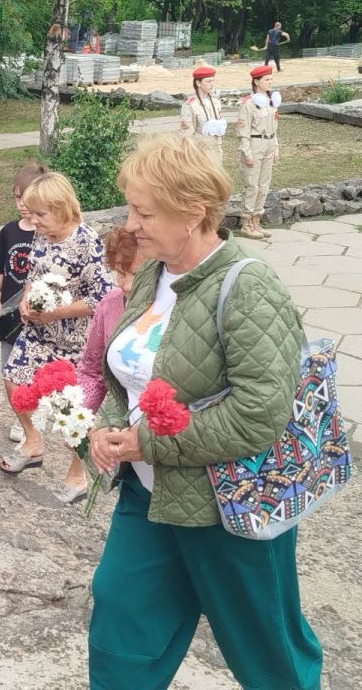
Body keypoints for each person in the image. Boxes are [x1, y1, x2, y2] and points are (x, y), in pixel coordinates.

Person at [87, 132, 321, 690]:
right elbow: (122, 371)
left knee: (266, 653)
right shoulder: (151, 274)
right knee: (120, 631)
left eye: (144, 212)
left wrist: (149, 443)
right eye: (131, 209)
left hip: (230, 509)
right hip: (148, 499)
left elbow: (260, 414)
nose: (131, 225)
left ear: (193, 212)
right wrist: (107, 426)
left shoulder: (249, 286)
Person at [0, 172, 112, 473]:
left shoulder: (87, 243)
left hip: (75, 340)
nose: (33, 221)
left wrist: (55, 313)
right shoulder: (42, 234)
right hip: (38, 331)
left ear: (61, 207)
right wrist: (25, 301)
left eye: (40, 213)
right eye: (31, 213)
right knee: (13, 377)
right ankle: (33, 442)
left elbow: (101, 299)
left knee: (73, 411)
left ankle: (79, 471)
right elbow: (33, 275)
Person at [56, 226, 143, 503]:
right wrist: (80, 414)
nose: (124, 283)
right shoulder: (110, 303)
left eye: (133, 274)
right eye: (119, 272)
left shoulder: (168, 307)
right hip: (113, 429)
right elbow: (92, 368)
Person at [0, 162, 48, 445]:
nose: (21, 204)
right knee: (8, 367)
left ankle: (35, 416)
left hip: (35, 314)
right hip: (10, 315)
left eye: (25, 197)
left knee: (33, 368)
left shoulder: (45, 233)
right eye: (16, 197)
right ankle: (20, 416)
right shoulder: (9, 231)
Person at [237, 65, 280, 240]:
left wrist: (276, 147)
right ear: (256, 81)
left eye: (271, 79)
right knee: (252, 184)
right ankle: (247, 223)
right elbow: (243, 131)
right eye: (266, 79)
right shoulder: (249, 104)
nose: (270, 82)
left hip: (269, 142)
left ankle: (257, 221)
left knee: (264, 185)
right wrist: (247, 152)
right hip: (255, 143)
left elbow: (275, 127)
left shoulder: (271, 101)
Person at [179, 66, 225, 161]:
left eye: (213, 81)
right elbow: (187, 134)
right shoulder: (190, 105)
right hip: (200, 151)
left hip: (216, 147)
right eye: (208, 81)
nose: (212, 84)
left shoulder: (215, 102)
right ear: (198, 83)